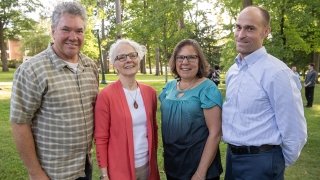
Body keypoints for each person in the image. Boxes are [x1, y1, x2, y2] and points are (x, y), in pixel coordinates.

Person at [10, 2, 99, 180]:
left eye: (79, 31)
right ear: (53, 31)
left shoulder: (90, 66)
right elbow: (20, 123)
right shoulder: (32, 70)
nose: (73, 37)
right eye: (66, 29)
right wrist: (35, 173)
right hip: (52, 173)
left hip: (84, 166)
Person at [222, 6, 307, 180]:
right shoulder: (233, 71)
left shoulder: (277, 73)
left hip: (261, 163)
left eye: (250, 28)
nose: (241, 34)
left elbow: (295, 130)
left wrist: (274, 162)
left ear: (266, 32)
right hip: (232, 157)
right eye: (238, 27)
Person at [94, 39, 160, 180]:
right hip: (119, 171)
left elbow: (153, 129)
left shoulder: (150, 93)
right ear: (114, 63)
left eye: (132, 55)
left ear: (139, 58)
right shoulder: (106, 96)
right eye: (121, 57)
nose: (128, 60)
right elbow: (101, 138)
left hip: (148, 167)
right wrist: (104, 174)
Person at [159, 39, 223, 180]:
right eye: (180, 57)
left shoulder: (208, 89)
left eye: (191, 57)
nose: (185, 62)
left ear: (199, 60)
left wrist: (200, 173)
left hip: (199, 168)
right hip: (173, 165)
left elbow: (215, 133)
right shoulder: (168, 88)